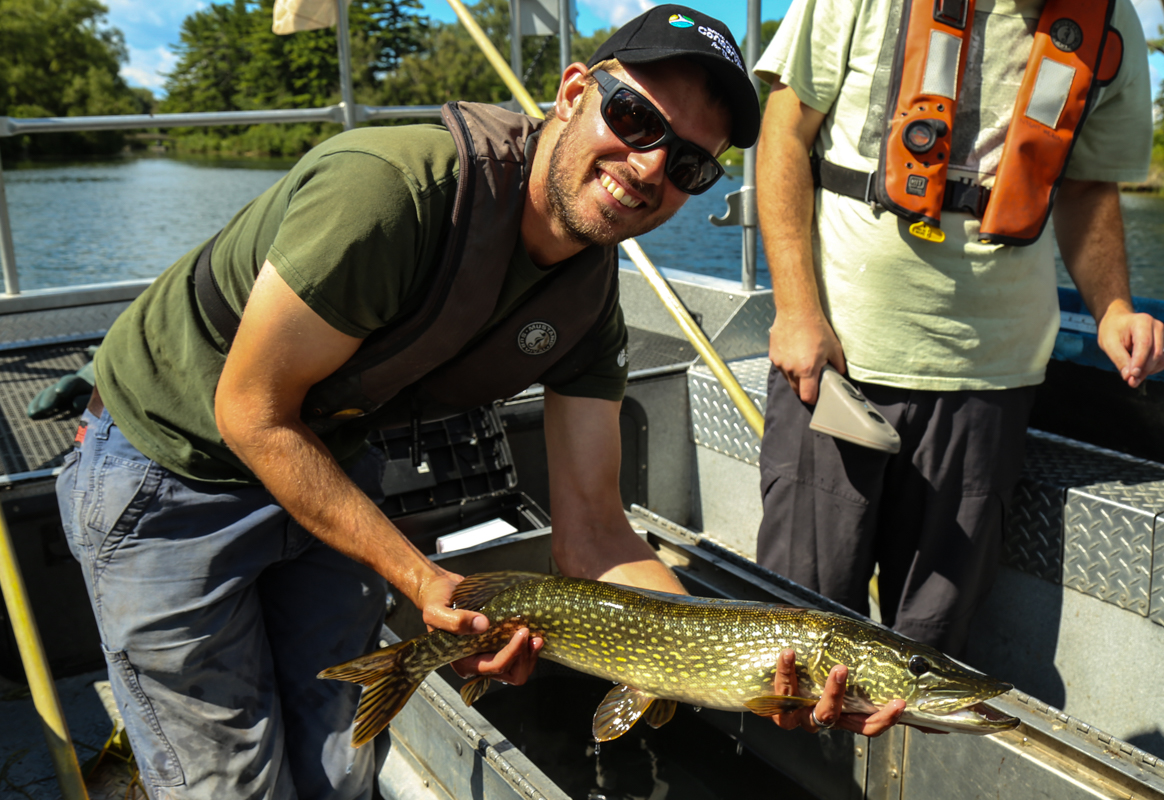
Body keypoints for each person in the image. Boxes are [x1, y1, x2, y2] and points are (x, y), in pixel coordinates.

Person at [55, 6, 901, 799]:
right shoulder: (390, 191)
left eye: (687, 164)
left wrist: (726, 658)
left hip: (331, 462)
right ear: (574, 91)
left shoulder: (589, 304)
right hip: (172, 464)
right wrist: (422, 578)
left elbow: (596, 532)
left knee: (336, 746)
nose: (649, 167)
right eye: (636, 120)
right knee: (224, 775)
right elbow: (252, 413)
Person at [753, 0, 1164, 660]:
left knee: (927, 648)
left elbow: (1088, 185)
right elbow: (783, 131)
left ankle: (899, 761)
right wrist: (797, 310)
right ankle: (782, 762)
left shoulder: (1109, 22)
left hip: (989, 385)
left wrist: (1113, 308)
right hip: (835, 366)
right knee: (797, 629)